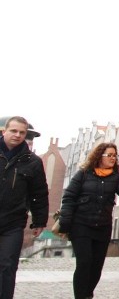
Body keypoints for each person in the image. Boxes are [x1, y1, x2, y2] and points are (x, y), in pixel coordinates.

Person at [58, 142, 119, 299]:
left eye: (115, 155)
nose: (113, 158)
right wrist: (65, 222)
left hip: (102, 227)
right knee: (84, 263)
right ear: (99, 156)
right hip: (81, 225)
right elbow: (69, 197)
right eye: (109, 155)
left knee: (96, 267)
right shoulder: (84, 174)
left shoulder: (116, 178)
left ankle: (88, 294)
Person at [0, 116, 49, 299]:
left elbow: (39, 193)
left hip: (13, 222)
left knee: (7, 265)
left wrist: (39, 221)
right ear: (5, 131)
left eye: (22, 132)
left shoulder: (32, 161)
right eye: (14, 131)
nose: (18, 135)